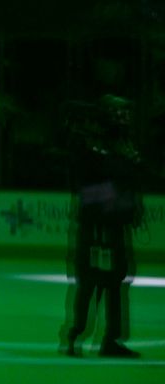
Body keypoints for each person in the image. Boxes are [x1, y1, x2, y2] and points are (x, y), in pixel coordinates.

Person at [62, 94, 145, 358]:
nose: (125, 120)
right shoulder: (92, 148)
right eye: (119, 114)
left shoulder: (118, 147)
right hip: (97, 227)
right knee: (91, 280)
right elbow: (89, 188)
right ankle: (77, 334)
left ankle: (109, 339)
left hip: (112, 227)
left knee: (114, 280)